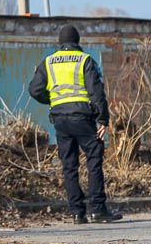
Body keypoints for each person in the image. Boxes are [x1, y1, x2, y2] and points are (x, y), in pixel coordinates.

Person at [28, 24, 122, 224]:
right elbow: (96, 92)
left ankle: (77, 213)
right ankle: (97, 210)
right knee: (94, 160)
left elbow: (34, 90)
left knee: (69, 166)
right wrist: (103, 119)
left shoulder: (48, 62)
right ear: (77, 41)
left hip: (60, 120)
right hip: (83, 118)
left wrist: (52, 100)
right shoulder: (85, 60)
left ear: (60, 43)